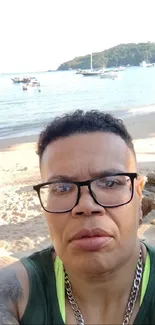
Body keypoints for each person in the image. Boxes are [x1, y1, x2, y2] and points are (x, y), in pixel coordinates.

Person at [0, 109, 155, 325]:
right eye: (62, 188)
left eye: (110, 183)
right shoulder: (12, 293)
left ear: (139, 196)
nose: (86, 206)